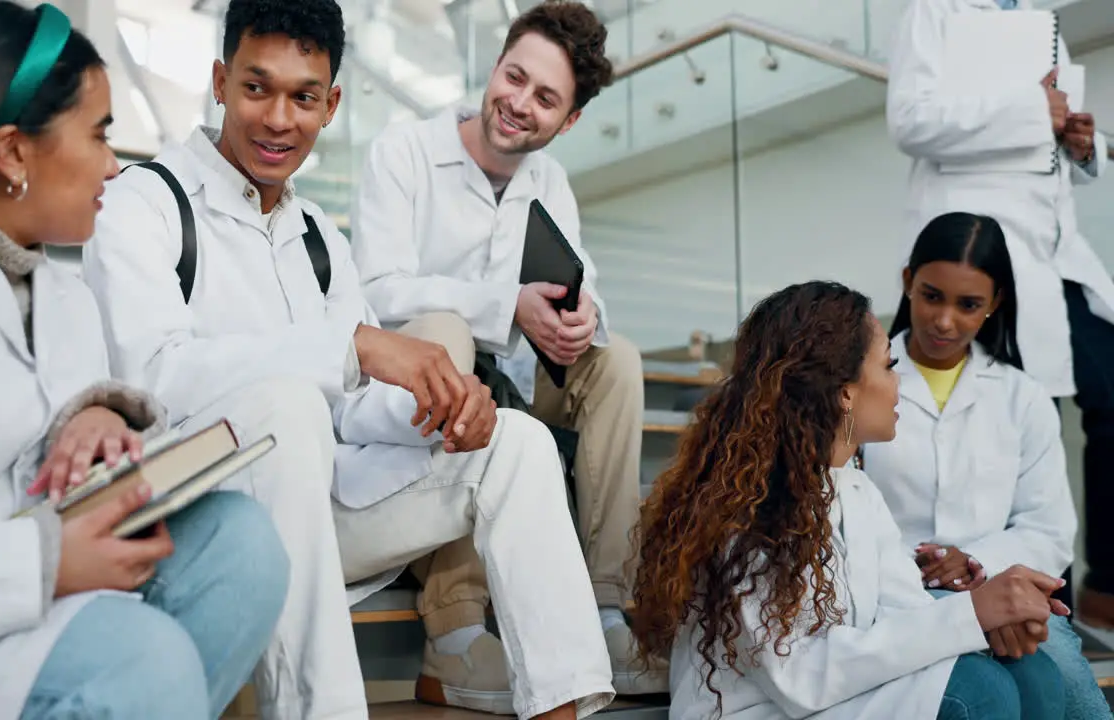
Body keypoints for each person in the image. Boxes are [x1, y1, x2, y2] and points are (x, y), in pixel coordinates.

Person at [81, 0, 616, 717]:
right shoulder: (142, 204)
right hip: (201, 522)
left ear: (331, 105)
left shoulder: (315, 237)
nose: (278, 119)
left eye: (303, 97)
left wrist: (439, 403)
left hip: (323, 504)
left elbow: (356, 404)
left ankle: (562, 705)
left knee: (515, 441)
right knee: (291, 403)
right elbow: (153, 380)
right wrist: (352, 347)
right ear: (219, 80)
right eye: (256, 87)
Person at [0, 3, 289, 719]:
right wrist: (38, 564)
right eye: (99, 135)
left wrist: (96, 420)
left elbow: (38, 445)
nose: (114, 163)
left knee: (243, 549)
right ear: (13, 151)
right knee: (149, 663)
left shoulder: (60, 290)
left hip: (18, 599)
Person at [349, 1, 658, 698]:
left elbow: (586, 286)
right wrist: (504, 307)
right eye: (514, 77)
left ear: (569, 120)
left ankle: (608, 608)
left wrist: (582, 320)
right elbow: (376, 289)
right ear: (495, 66)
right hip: (421, 371)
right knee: (447, 333)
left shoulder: (551, 182)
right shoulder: (402, 152)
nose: (519, 103)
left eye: (545, 98)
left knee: (618, 362)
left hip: (519, 376)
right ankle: (454, 630)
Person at [629, 280, 1069, 720]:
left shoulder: (856, 490)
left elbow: (906, 614)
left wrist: (991, 620)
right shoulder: (753, 505)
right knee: (978, 692)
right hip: (763, 710)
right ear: (844, 392)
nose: (901, 382)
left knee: (1035, 676)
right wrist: (971, 615)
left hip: (837, 698)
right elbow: (799, 676)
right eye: (889, 366)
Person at [887, 0, 1114, 624]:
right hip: (979, 237)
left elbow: (1053, 135)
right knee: (1015, 406)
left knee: (1097, 388)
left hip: (1054, 243)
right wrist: (1029, 115)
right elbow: (910, 121)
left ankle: (1084, 587)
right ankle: (1025, 592)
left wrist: (1077, 144)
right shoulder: (932, 12)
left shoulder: (1043, 20)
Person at [862, 212, 1110, 719]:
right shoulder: (861, 383)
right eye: (932, 295)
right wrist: (927, 563)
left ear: (995, 304)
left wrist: (973, 560)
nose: (945, 320)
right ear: (908, 282)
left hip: (1000, 586)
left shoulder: (1023, 398)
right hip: (891, 594)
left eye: (968, 304)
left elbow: (1049, 529)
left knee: (1055, 666)